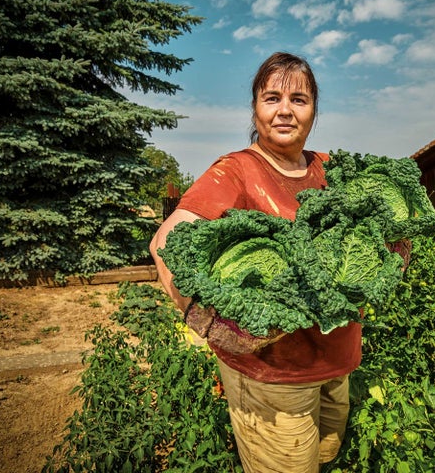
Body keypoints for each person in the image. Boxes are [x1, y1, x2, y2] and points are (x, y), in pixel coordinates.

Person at [149, 52, 361, 472]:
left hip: (336, 361)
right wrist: (212, 322)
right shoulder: (236, 171)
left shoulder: (330, 169)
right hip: (273, 377)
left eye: (299, 99)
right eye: (272, 98)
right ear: (255, 108)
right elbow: (163, 243)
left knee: (327, 458)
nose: (285, 109)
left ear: (314, 110)